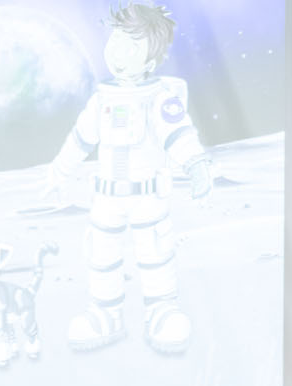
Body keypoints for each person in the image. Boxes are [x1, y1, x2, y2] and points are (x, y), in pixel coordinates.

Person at [44, 4, 213, 353]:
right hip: (107, 199)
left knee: (154, 253)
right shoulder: (102, 100)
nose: (120, 55)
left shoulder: (159, 99)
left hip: (147, 196)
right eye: (117, 42)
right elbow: (81, 137)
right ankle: (106, 314)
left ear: (151, 61)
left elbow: (178, 134)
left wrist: (195, 164)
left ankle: (162, 310)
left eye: (132, 47)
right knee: (102, 255)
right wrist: (60, 171)